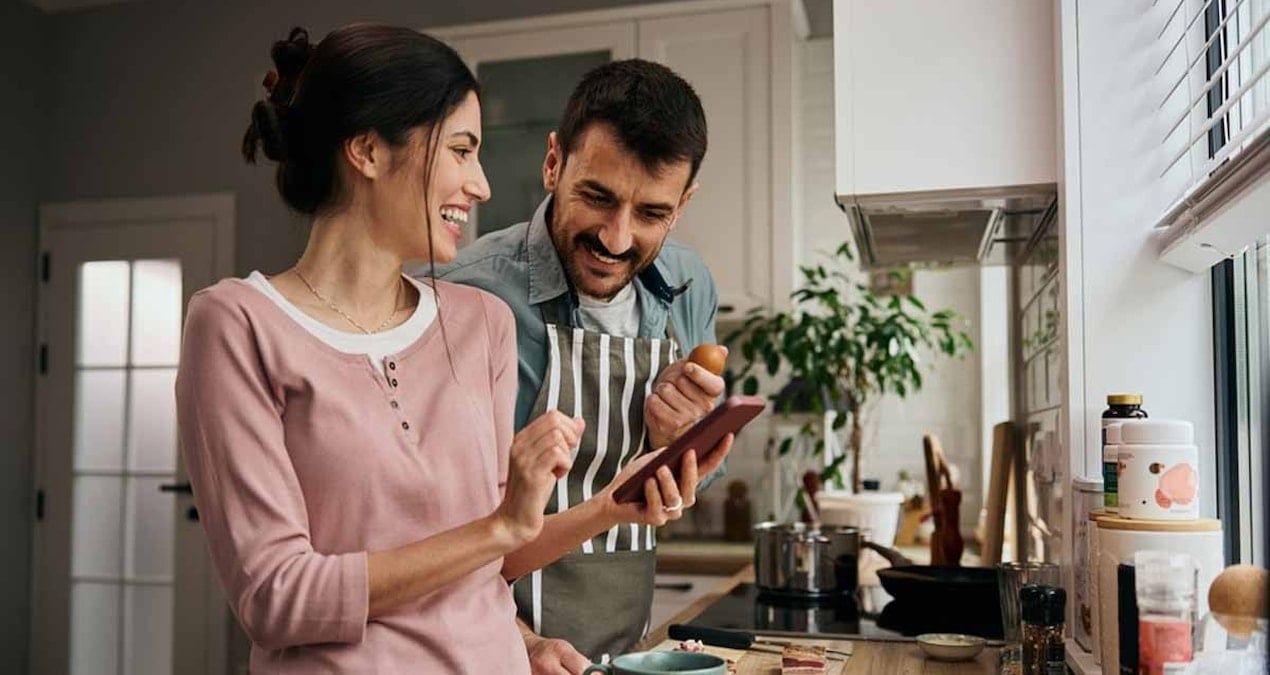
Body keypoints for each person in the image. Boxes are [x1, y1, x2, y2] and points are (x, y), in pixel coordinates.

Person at [176, 25, 683, 673]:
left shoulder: (482, 323)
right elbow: (277, 597)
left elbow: (492, 558)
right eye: (462, 150)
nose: (481, 185)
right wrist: (497, 527)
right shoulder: (238, 325)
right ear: (367, 149)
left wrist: (609, 504)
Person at [436, 59, 733, 670]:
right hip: (490, 653)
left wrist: (682, 448)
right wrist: (523, 643)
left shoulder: (689, 285)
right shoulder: (466, 298)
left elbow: (676, 498)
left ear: (684, 203)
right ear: (553, 162)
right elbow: (437, 536)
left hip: (628, 650)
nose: (617, 239)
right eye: (598, 198)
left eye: (652, 213)